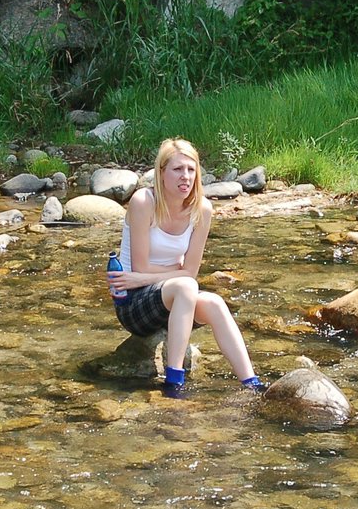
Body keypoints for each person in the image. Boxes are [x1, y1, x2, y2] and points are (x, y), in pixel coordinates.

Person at [107, 137, 268, 398]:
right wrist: (173, 270)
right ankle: (173, 382)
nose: (186, 177)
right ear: (161, 173)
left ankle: (251, 383)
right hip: (132, 301)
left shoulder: (201, 209)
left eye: (191, 170)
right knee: (185, 285)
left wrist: (160, 274)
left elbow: (189, 271)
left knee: (214, 303)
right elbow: (141, 267)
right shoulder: (143, 202)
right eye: (177, 169)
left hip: (170, 296)